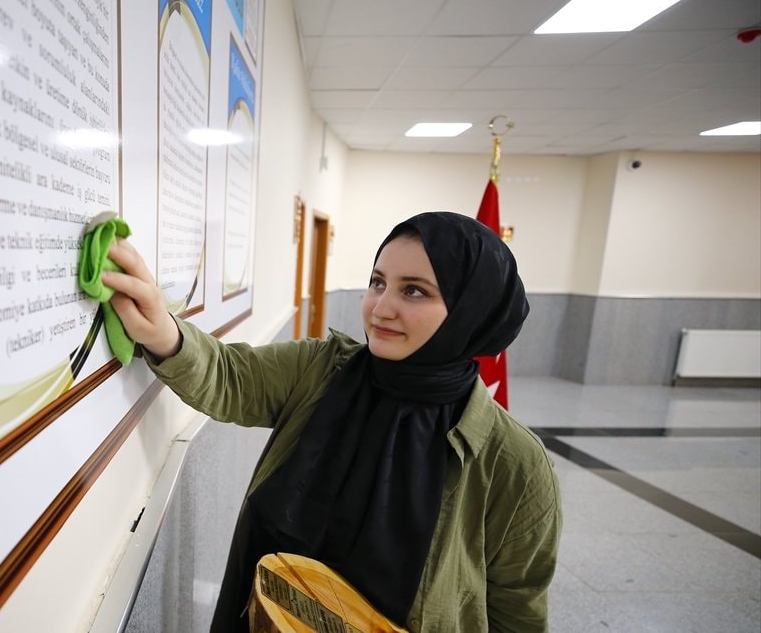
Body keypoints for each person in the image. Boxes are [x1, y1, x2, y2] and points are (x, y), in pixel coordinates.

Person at [101, 211, 562, 633]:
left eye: (414, 291)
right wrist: (164, 330)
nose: (380, 307)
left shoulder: (514, 465)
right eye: (378, 282)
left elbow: (516, 612)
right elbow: (230, 378)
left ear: (471, 310)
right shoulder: (321, 370)